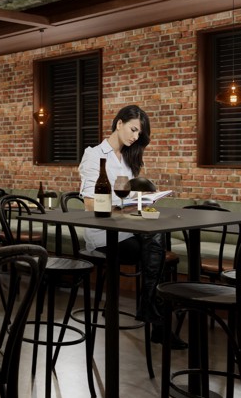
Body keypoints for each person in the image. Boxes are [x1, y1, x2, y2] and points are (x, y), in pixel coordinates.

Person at [78, 104, 183, 347]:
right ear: (119, 124)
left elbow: (130, 199)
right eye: (133, 130)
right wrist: (123, 206)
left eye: (139, 134)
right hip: (104, 235)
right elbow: (90, 204)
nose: (136, 137)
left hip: (127, 230)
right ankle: (153, 316)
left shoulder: (128, 159)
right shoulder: (95, 154)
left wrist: (142, 201)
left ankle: (151, 312)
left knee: (158, 238)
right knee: (157, 245)